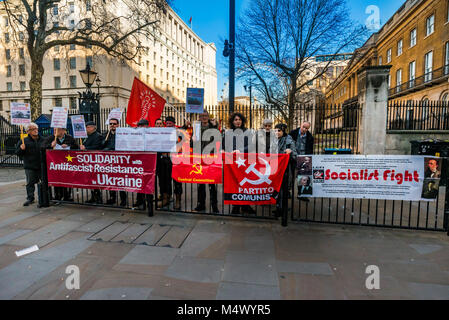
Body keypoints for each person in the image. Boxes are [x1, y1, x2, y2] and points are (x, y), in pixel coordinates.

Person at [223, 112, 256, 215]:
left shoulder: (248, 132)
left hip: (244, 161)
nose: (238, 121)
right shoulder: (228, 133)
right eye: (236, 120)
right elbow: (223, 145)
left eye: (239, 119)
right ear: (232, 121)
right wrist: (223, 150)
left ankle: (246, 205)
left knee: (245, 183)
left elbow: (251, 146)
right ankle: (235, 205)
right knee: (234, 182)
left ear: (242, 121)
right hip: (232, 162)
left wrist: (239, 150)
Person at [192, 111, 219, 213]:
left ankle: (214, 206)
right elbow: (192, 144)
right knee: (200, 184)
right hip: (199, 158)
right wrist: (192, 140)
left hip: (210, 158)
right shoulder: (196, 128)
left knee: (212, 184)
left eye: (205, 116)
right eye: (202, 116)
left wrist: (215, 127)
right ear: (199, 117)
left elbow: (218, 139)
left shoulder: (212, 127)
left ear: (208, 117)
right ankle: (201, 204)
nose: (204, 117)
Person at [43, 127, 79, 201]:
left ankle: (67, 196)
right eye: (54, 130)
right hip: (56, 165)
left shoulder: (69, 138)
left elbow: (77, 148)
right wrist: (50, 145)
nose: (55, 131)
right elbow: (42, 147)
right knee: (57, 180)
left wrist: (69, 146)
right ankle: (58, 196)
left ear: (63, 131)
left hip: (67, 164)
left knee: (67, 180)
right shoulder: (51, 138)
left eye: (57, 130)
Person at [158, 116, 186, 210]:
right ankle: (166, 199)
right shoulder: (162, 132)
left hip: (175, 160)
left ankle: (178, 201)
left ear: (174, 124)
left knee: (177, 181)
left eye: (170, 123)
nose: (169, 125)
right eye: (167, 123)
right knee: (165, 181)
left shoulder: (178, 132)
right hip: (164, 159)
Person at [15, 123, 44, 206]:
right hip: (30, 166)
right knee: (30, 183)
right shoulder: (24, 141)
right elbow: (17, 153)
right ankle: (30, 198)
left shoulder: (43, 139)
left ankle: (44, 197)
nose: (35, 130)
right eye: (33, 129)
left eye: (36, 129)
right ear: (28, 131)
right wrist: (21, 148)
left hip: (41, 165)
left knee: (43, 182)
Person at [102, 118, 127, 206]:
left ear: (118, 125)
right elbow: (102, 145)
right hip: (109, 161)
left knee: (120, 180)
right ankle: (112, 197)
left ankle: (123, 199)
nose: (112, 125)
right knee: (110, 179)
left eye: (114, 124)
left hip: (119, 161)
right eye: (111, 123)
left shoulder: (122, 134)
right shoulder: (106, 134)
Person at [274, 123, 296, 217]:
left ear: (283, 131)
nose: (277, 132)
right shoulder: (273, 140)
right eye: (275, 130)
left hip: (285, 169)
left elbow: (295, 154)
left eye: (279, 130)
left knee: (283, 190)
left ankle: (282, 210)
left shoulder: (288, 140)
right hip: (275, 168)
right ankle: (279, 207)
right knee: (277, 189)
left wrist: (290, 152)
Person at [132, 119, 154, 215]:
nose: (142, 128)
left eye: (143, 126)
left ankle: (149, 207)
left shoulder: (151, 135)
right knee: (139, 182)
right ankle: (140, 201)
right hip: (139, 163)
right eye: (140, 126)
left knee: (148, 184)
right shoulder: (135, 136)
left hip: (149, 163)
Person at [289, 121, 314, 201]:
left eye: (306, 128)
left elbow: (310, 149)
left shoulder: (310, 137)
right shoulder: (293, 133)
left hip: (304, 158)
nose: (304, 129)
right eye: (303, 127)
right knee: (291, 176)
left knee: (303, 177)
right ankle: (288, 192)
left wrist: (309, 158)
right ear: (300, 125)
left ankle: (302, 194)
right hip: (293, 157)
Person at [81, 121, 104, 204]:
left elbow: (97, 147)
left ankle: (98, 198)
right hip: (88, 162)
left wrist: (86, 147)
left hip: (95, 161)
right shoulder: (87, 136)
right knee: (90, 180)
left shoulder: (98, 136)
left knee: (95, 180)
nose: (86, 129)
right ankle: (93, 197)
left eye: (88, 127)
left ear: (93, 127)